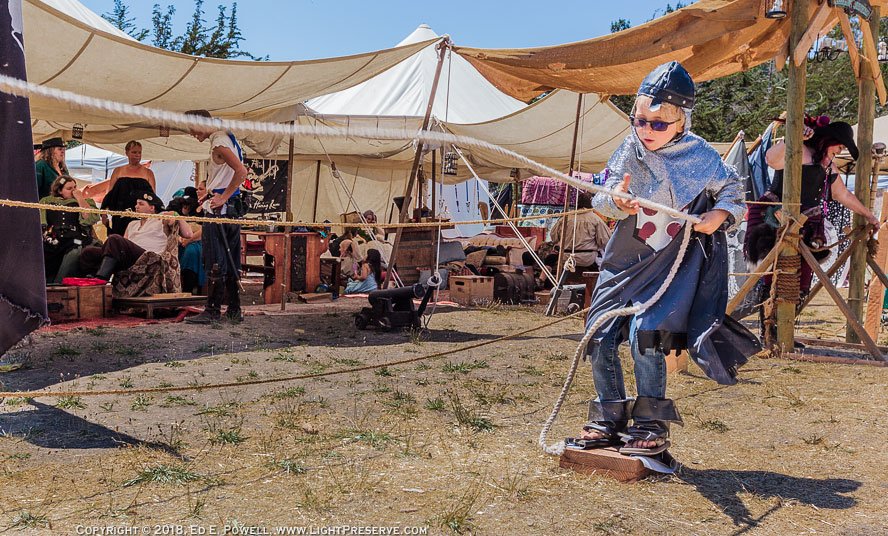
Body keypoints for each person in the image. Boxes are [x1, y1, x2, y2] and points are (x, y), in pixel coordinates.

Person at [571, 62, 758, 459]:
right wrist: (615, 200)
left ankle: (650, 423)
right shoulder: (629, 149)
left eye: (658, 124)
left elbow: (732, 191)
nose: (646, 131)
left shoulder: (702, 155)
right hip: (625, 261)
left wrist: (719, 215)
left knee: (649, 334)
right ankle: (608, 417)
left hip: (673, 263)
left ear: (680, 122)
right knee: (599, 334)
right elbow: (602, 197)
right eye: (640, 121)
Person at [745, 117, 879, 302]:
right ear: (829, 142)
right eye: (839, 148)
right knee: (773, 279)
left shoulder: (829, 168)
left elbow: (844, 195)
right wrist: (793, 139)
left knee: (800, 284)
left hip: (807, 227)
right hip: (776, 220)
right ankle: (770, 325)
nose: (839, 152)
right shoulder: (798, 151)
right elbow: (770, 159)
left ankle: (787, 321)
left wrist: (870, 216)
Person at [183, 110, 248, 324]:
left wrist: (222, 196)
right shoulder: (226, 135)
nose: (191, 133)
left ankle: (212, 310)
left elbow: (241, 171)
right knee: (229, 258)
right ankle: (234, 309)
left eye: (191, 127)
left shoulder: (218, 142)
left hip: (221, 208)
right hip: (229, 207)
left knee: (214, 260)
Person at [80, 193, 192, 282]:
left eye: (141, 204)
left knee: (114, 239)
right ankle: (91, 283)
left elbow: (188, 234)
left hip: (150, 257)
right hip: (130, 258)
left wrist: (176, 215)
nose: (136, 206)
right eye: (136, 204)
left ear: (152, 208)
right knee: (88, 252)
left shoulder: (161, 219)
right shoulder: (132, 224)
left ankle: (101, 279)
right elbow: (120, 247)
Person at [39, 175, 100, 284]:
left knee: (75, 251)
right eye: (69, 188)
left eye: (75, 187)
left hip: (76, 239)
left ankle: (59, 284)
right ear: (59, 190)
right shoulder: (46, 201)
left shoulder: (86, 202)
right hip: (54, 239)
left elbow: (90, 219)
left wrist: (80, 198)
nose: (74, 191)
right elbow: (41, 222)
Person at [542, 192, 612, 285]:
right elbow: (605, 241)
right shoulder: (595, 219)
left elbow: (554, 237)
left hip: (566, 258)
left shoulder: (565, 218)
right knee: (604, 273)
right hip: (587, 259)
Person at [102, 141, 157, 237]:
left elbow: (153, 197)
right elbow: (110, 193)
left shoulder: (148, 173)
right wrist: (104, 212)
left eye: (139, 152)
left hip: (140, 215)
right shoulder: (118, 170)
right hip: (120, 213)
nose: (137, 155)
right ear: (127, 153)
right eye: (134, 152)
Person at [167, 192, 204, 294]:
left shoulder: (207, 208)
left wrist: (188, 240)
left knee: (191, 252)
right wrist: (179, 238)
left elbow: (205, 229)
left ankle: (189, 289)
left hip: (199, 242)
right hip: (182, 241)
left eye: (201, 189)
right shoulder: (179, 213)